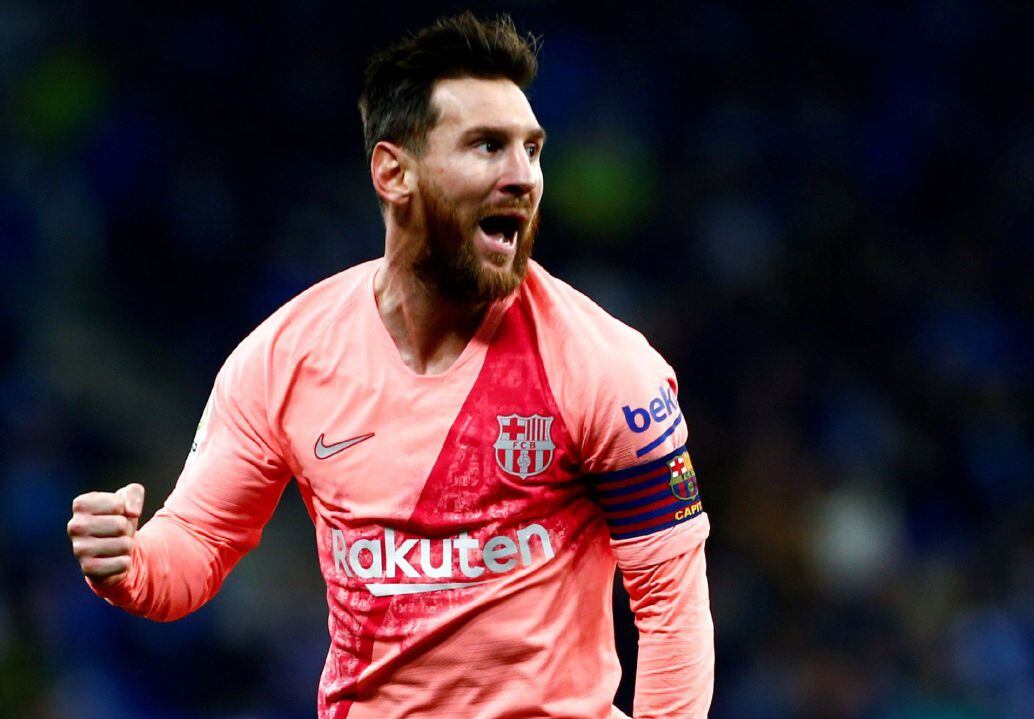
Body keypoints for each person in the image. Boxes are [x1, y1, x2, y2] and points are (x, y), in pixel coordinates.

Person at [66, 12, 713, 719]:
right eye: (487, 147)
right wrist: (130, 565)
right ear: (393, 172)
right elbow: (195, 544)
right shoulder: (285, 357)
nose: (523, 177)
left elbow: (671, 606)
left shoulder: (607, 369)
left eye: (533, 150)